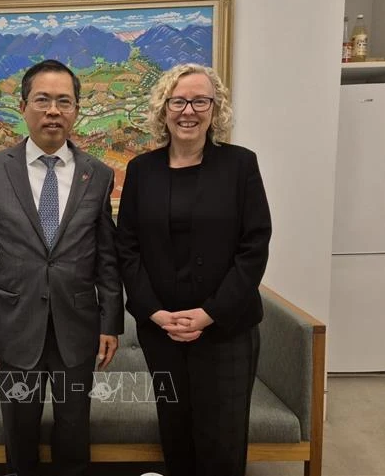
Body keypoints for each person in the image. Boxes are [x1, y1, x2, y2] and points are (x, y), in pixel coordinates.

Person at [0, 59, 124, 476]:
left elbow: (107, 257)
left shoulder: (98, 174)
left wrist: (111, 323)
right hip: (15, 329)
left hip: (78, 329)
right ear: (24, 106)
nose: (54, 110)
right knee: (20, 436)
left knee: (74, 436)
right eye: (43, 100)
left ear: (76, 110)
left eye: (64, 101)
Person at [116, 63, 272, 476]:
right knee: (176, 432)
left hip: (226, 330)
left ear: (214, 109)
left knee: (222, 438)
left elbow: (254, 248)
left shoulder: (240, 165)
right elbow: (126, 249)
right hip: (162, 331)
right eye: (179, 100)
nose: (189, 110)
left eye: (200, 100)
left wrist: (209, 314)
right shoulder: (141, 170)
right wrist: (153, 312)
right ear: (164, 109)